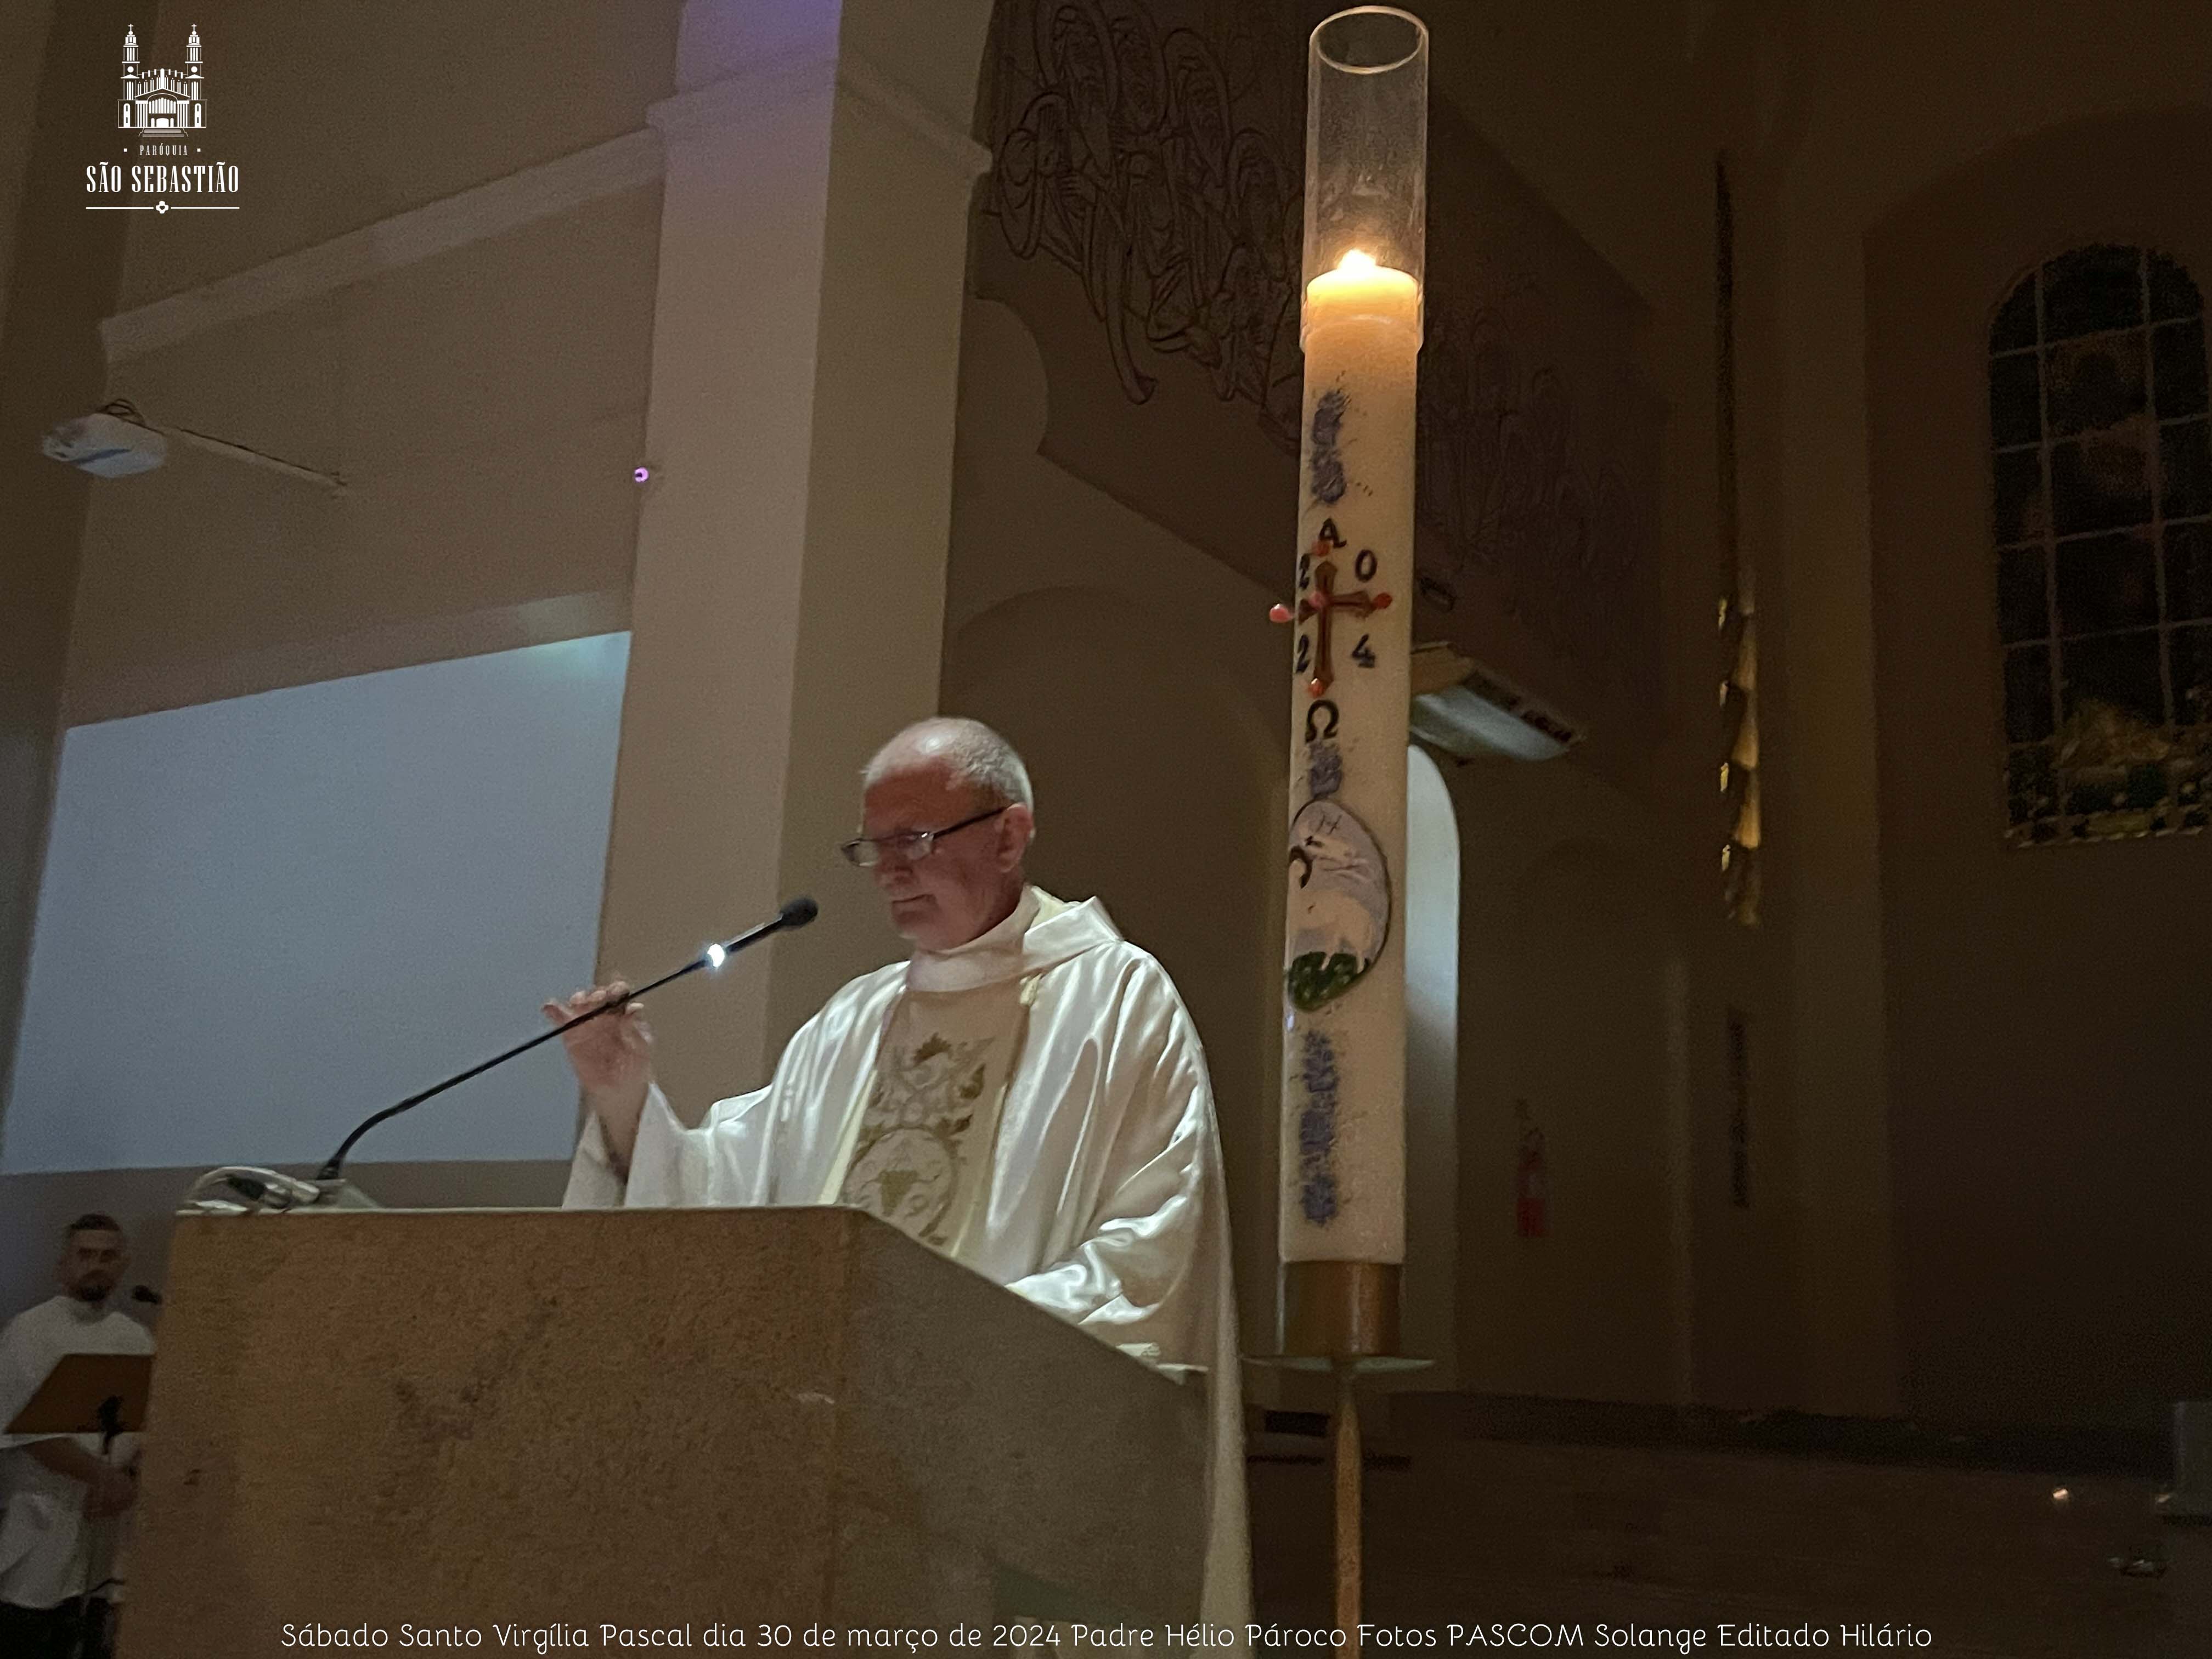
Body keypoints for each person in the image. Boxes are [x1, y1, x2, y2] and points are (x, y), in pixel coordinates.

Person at [555, 717, 1249, 1624]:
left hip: (1004, 1486)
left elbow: (1151, 1253)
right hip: (832, 1487)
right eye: (871, 846)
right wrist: (625, 1100)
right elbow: (725, 1194)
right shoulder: (856, 1018)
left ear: (1009, 835)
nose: (887, 870)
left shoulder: (1120, 1000)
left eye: (913, 840)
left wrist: (936, 1350)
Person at [0, 1214, 156, 1659]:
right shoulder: (29, 1332)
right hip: (42, 1516)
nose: (96, 1265)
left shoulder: (136, 1337)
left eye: (108, 1256)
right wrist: (106, 1479)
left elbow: (152, 1426)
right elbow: (29, 1431)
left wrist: (131, 1481)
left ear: (122, 1265)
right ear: (63, 1264)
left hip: (107, 1522)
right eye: (85, 1255)